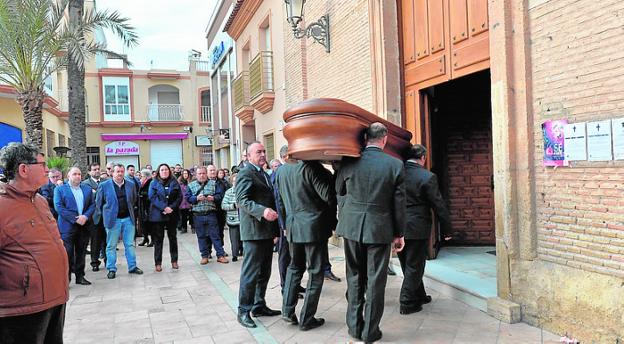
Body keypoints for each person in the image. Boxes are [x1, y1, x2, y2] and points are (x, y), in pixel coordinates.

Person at [335, 122, 406, 342]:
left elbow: (339, 190)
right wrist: (399, 233)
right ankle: (370, 332)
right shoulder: (394, 165)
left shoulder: (349, 161)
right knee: (376, 280)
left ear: (366, 138)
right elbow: (399, 203)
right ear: (384, 139)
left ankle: (354, 327)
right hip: (380, 228)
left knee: (354, 276)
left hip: (352, 227)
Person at [0, 143, 69, 343]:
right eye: (42, 164)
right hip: (22, 310)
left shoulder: (39, 200)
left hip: (55, 298)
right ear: (23, 169)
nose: (48, 169)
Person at [277, 159, 337, 331]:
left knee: (294, 268)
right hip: (313, 228)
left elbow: (280, 200)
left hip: (293, 226)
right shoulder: (313, 168)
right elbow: (328, 196)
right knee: (315, 272)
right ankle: (307, 318)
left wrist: (285, 225)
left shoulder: (282, 170)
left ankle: (287, 311)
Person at [399, 144, 452, 314]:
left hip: (398, 226)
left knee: (407, 263)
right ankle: (407, 302)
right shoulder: (427, 177)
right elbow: (438, 205)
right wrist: (447, 229)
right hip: (417, 226)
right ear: (423, 158)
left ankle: (419, 295)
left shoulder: (395, 173)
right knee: (415, 265)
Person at [235, 141, 281, 328]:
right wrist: (262, 211)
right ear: (248, 155)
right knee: (250, 274)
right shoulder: (246, 173)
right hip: (253, 232)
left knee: (264, 272)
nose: (262, 154)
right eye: (258, 152)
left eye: (264, 151)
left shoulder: (263, 172)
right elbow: (242, 200)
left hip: (265, 232)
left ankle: (258, 305)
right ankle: (243, 311)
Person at [94, 164, 144, 279]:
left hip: (128, 219)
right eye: (117, 171)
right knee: (111, 246)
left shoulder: (131, 185)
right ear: (112, 172)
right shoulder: (104, 185)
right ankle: (111, 269)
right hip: (113, 220)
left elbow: (133, 200)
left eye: (122, 171)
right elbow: (98, 203)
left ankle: (132, 266)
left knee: (129, 244)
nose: (120, 174)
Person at [54, 167, 96, 285]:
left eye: (79, 174)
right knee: (67, 253)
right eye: (74, 174)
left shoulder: (87, 189)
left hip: (83, 226)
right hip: (67, 227)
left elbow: (93, 205)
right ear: (68, 175)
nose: (77, 176)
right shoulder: (60, 190)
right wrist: (75, 219)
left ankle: (80, 276)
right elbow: (59, 207)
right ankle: (66, 279)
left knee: (81, 252)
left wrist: (85, 217)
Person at [186, 166, 228, 264]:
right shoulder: (191, 185)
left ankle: (220, 255)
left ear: (206, 174)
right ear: (196, 175)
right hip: (197, 214)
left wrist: (213, 198)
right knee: (201, 236)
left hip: (211, 213)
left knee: (215, 235)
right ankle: (204, 256)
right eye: (199, 174)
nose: (202, 175)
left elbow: (220, 195)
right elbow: (187, 198)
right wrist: (196, 198)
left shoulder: (214, 184)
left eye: (203, 173)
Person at [148, 164, 182, 272]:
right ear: (159, 171)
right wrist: (164, 207)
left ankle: (174, 261)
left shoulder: (174, 181)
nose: (164, 171)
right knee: (158, 240)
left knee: (173, 238)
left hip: (172, 214)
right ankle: (158, 263)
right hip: (158, 215)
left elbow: (179, 197)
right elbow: (152, 197)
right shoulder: (154, 182)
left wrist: (171, 207)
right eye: (162, 170)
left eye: (166, 169)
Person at [83, 162, 107, 271]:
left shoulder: (106, 182)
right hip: (94, 217)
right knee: (95, 240)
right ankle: (95, 262)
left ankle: (108, 260)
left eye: (98, 169)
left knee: (107, 240)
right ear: (89, 172)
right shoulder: (85, 184)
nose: (97, 171)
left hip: (106, 216)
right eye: (94, 169)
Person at [221, 173, 242, 262]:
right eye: (234, 181)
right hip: (233, 219)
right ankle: (235, 255)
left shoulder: (244, 190)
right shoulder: (229, 192)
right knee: (234, 238)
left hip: (243, 219)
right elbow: (223, 205)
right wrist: (233, 205)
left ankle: (243, 251)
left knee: (244, 238)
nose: (236, 183)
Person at [138, 169, 154, 247]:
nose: (141, 177)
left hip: (148, 206)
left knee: (150, 224)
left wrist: (142, 194)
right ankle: (145, 238)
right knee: (143, 224)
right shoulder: (143, 182)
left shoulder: (151, 182)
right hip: (142, 205)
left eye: (142, 176)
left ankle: (153, 240)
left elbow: (150, 193)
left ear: (146, 176)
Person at [177, 169, 193, 234]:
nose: (185, 175)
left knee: (191, 215)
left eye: (186, 173)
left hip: (190, 200)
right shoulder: (180, 182)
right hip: (182, 201)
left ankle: (193, 227)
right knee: (183, 215)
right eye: (184, 173)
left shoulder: (192, 182)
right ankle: (184, 228)